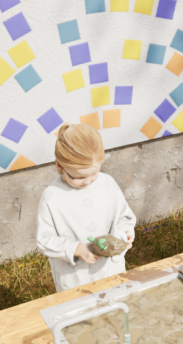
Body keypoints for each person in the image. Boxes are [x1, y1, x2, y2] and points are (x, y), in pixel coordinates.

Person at [36, 123, 136, 292]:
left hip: (111, 272)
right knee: (82, 308)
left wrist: (125, 233)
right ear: (60, 166)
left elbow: (124, 217)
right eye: (78, 177)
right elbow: (45, 241)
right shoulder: (52, 197)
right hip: (75, 279)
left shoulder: (107, 184)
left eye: (94, 173)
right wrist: (77, 249)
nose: (87, 181)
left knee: (115, 304)